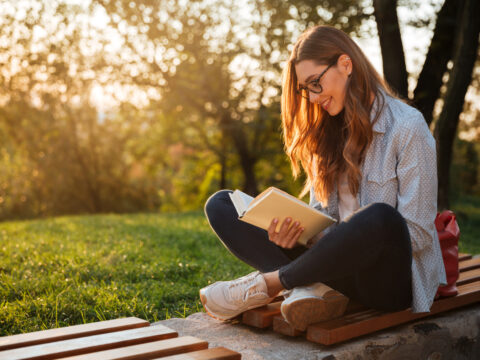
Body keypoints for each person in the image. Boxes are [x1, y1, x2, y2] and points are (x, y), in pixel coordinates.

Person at [199, 25, 447, 331]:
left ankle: (271, 284)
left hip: (388, 282)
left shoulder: (408, 128)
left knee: (381, 218)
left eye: (316, 83)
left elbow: (418, 234)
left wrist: (351, 238)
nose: (313, 97)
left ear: (345, 64)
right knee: (222, 205)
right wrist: (295, 231)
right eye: (306, 89)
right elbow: (322, 219)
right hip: (333, 269)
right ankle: (314, 288)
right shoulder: (326, 133)